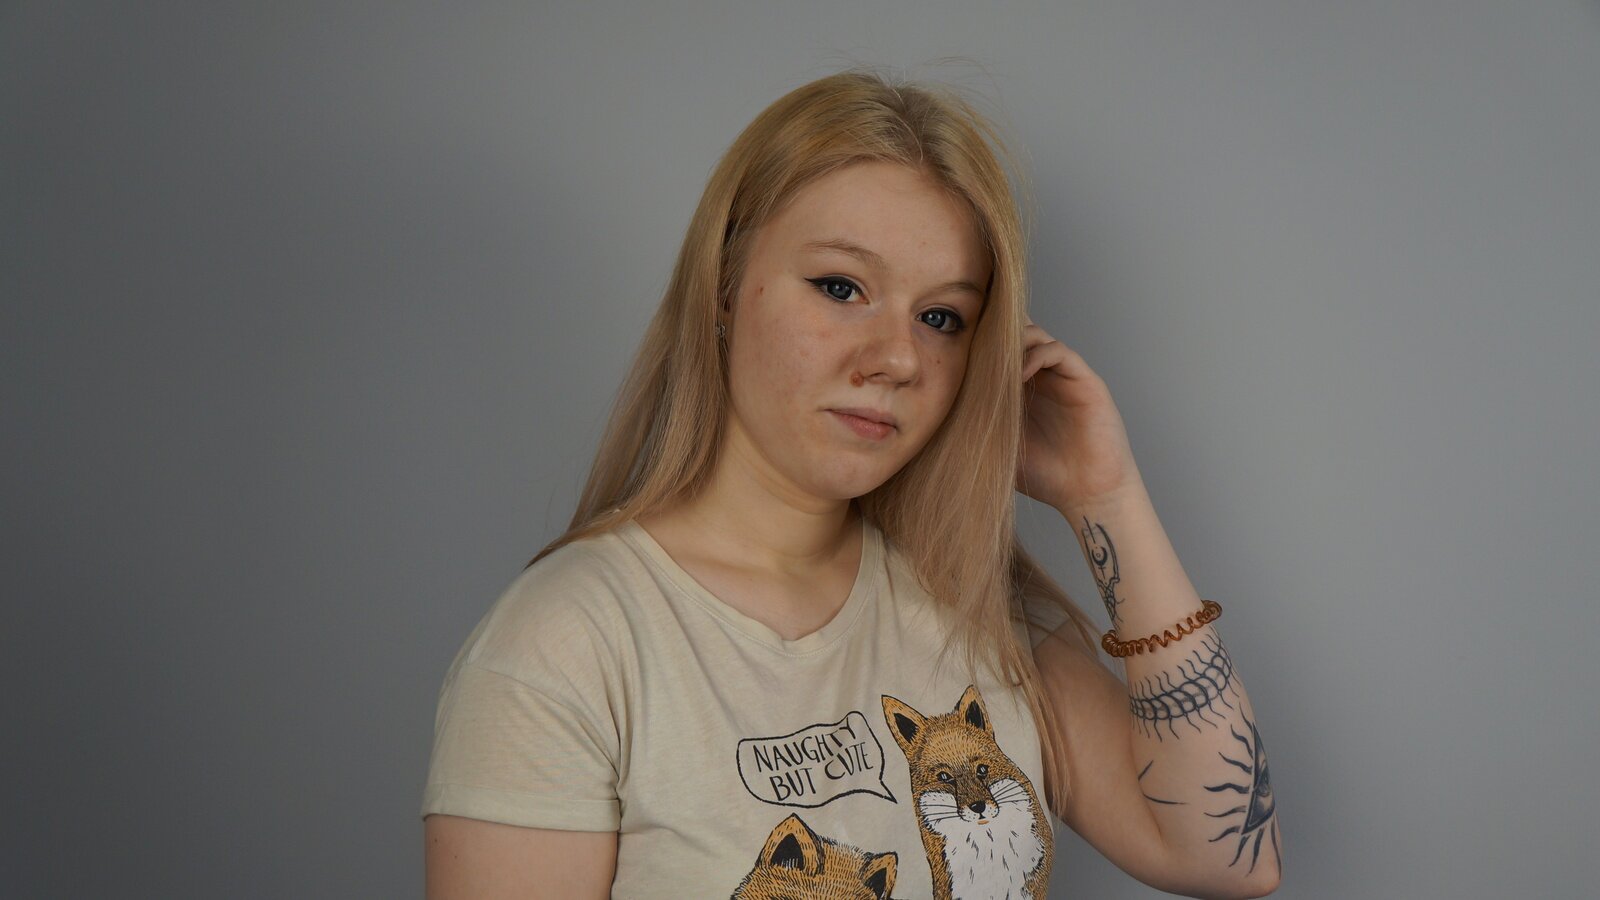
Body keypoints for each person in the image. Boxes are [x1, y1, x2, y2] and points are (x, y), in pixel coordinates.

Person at [420, 68, 1282, 899]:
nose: (898, 358)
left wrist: (1105, 496)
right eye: (841, 287)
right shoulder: (566, 646)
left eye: (941, 317)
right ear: (725, 285)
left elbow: (1227, 858)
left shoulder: (976, 604)